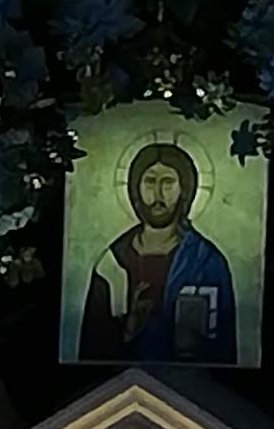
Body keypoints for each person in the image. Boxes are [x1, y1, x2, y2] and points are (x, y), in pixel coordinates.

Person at [79, 143, 237, 364]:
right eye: (150, 181)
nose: (158, 194)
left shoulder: (206, 261)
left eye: (168, 182)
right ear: (136, 188)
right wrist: (126, 333)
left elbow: (224, 349)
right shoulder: (111, 264)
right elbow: (91, 351)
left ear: (184, 190)